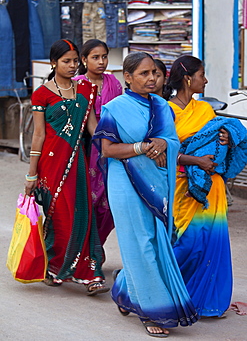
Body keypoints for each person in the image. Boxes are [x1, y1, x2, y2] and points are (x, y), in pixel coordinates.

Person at [93, 52, 199, 337]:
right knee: (141, 242)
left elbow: (172, 141)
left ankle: (124, 288)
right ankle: (152, 310)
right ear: (127, 77)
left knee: (156, 239)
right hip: (124, 184)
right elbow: (107, 150)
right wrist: (143, 148)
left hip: (158, 184)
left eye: (155, 72)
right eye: (144, 73)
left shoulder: (163, 107)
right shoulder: (114, 108)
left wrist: (162, 145)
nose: (152, 78)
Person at [24, 39, 110, 295]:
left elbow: (93, 128)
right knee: (60, 218)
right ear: (53, 63)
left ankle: (90, 273)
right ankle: (54, 266)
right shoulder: (42, 94)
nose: (73, 66)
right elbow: (39, 135)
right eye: (66, 61)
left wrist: (117, 147)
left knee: (83, 214)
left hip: (77, 163)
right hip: (51, 165)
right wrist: (31, 173)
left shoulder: (86, 90)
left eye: (75, 61)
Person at [165, 55, 247, 317]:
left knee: (212, 242)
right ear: (188, 78)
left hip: (213, 185)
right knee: (187, 244)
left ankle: (203, 301)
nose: (206, 80)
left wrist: (225, 139)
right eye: (202, 75)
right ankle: (139, 286)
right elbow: (161, 152)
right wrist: (194, 160)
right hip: (182, 186)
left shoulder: (205, 110)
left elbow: (216, 147)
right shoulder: (166, 111)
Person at [74, 39, 122, 247]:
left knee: (109, 203)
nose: (101, 62)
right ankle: (83, 251)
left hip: (111, 145)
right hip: (84, 147)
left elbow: (121, 113)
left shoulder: (114, 82)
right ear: (84, 60)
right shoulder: (76, 83)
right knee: (86, 200)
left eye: (104, 56)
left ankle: (95, 247)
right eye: (95, 57)